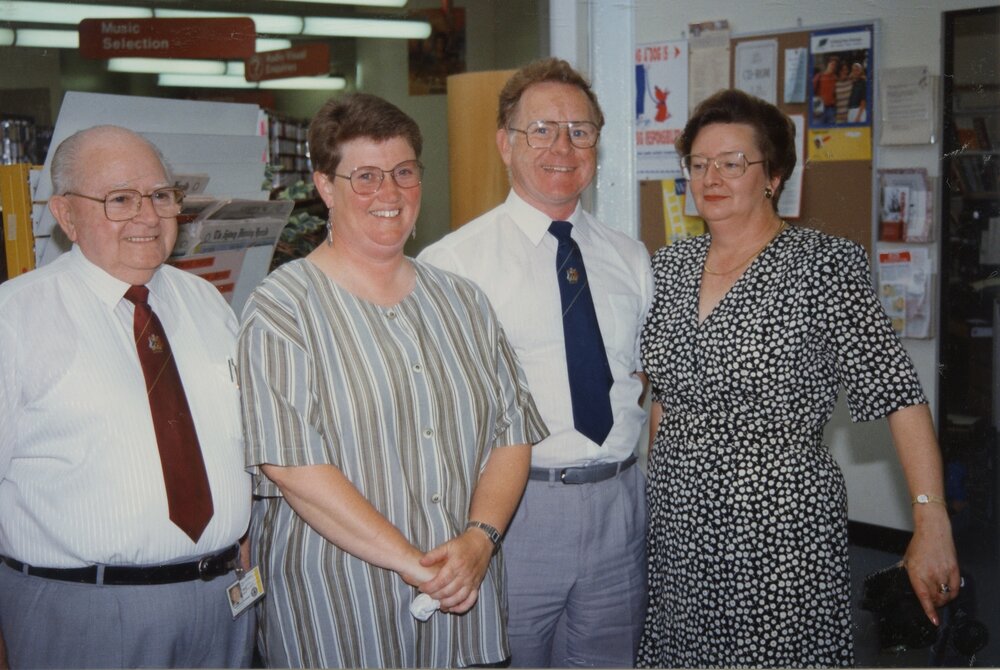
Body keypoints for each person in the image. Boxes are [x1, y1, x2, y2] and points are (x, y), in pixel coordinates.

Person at [635, 88, 960, 668]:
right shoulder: (669, 266)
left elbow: (899, 393)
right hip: (677, 520)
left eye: (733, 163)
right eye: (700, 163)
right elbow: (665, 394)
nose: (712, 176)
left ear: (774, 175)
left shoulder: (822, 265)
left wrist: (930, 517)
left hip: (780, 522)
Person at [237, 92, 546, 669]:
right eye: (366, 177)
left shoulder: (462, 300)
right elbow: (294, 467)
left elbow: (512, 433)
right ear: (325, 186)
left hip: (462, 602)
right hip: (339, 610)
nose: (390, 193)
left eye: (404, 173)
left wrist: (480, 540)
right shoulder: (282, 308)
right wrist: (413, 563)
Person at [420, 58, 652, 668]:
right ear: (505, 143)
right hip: (514, 516)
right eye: (541, 129)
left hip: (620, 506)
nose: (562, 146)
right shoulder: (453, 266)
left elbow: (637, 377)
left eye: (581, 131)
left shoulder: (630, 258)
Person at [0, 125, 254, 668]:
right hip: (82, 612)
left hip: (223, 602)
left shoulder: (206, 302)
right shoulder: (15, 318)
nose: (148, 216)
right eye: (120, 199)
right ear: (66, 216)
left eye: (161, 196)